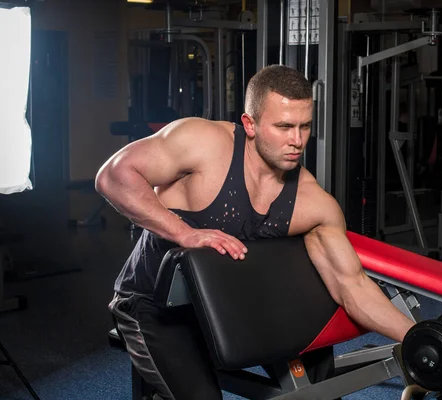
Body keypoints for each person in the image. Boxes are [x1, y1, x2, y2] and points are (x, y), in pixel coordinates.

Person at [96, 65, 416, 400]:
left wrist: (420, 334)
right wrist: (184, 233)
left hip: (234, 302)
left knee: (319, 385)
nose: (296, 140)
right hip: (155, 307)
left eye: (304, 126)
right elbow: (114, 176)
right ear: (250, 124)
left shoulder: (312, 202)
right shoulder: (203, 144)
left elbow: (352, 287)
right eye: (283, 127)